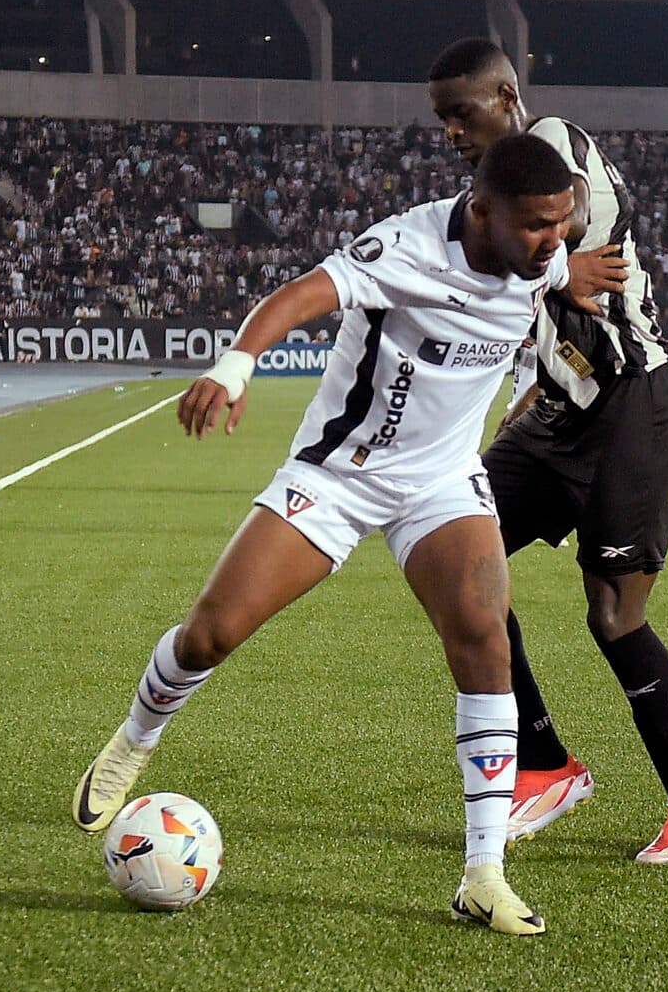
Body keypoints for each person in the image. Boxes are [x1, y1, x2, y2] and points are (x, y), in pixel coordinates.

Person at [71, 135, 626, 935]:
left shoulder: (541, 252)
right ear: (482, 212)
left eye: (561, 223)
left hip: (441, 481)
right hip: (340, 474)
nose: (554, 239)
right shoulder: (407, 247)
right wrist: (237, 363)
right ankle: (134, 739)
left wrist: (571, 271)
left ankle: (483, 876)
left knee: (484, 638)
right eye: (539, 225)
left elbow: (553, 265)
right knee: (210, 634)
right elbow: (300, 295)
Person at [426, 38, 668, 864]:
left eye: (462, 113)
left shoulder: (553, 140)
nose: (451, 132)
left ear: (505, 96)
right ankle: (546, 765)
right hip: (561, 413)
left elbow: (578, 223)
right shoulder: (485, 202)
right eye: (442, 119)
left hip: (637, 406)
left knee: (613, 614)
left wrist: (547, 260)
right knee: (457, 557)